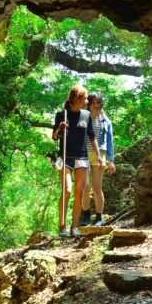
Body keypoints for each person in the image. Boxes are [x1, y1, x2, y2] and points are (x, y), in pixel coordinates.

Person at [53, 85, 103, 238]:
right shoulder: (62, 114)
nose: (87, 101)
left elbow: (92, 137)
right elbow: (54, 137)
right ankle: (62, 226)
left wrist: (98, 156)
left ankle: (74, 227)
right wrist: (59, 128)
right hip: (65, 157)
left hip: (82, 157)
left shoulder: (87, 115)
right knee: (67, 190)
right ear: (76, 99)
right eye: (85, 98)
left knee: (79, 191)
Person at [80, 93, 116, 226]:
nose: (96, 105)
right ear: (88, 104)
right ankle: (86, 215)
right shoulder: (83, 117)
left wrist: (111, 160)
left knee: (96, 187)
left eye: (99, 103)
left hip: (99, 154)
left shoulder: (106, 121)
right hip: (83, 154)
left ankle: (99, 217)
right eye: (93, 102)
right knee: (85, 186)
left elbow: (110, 142)